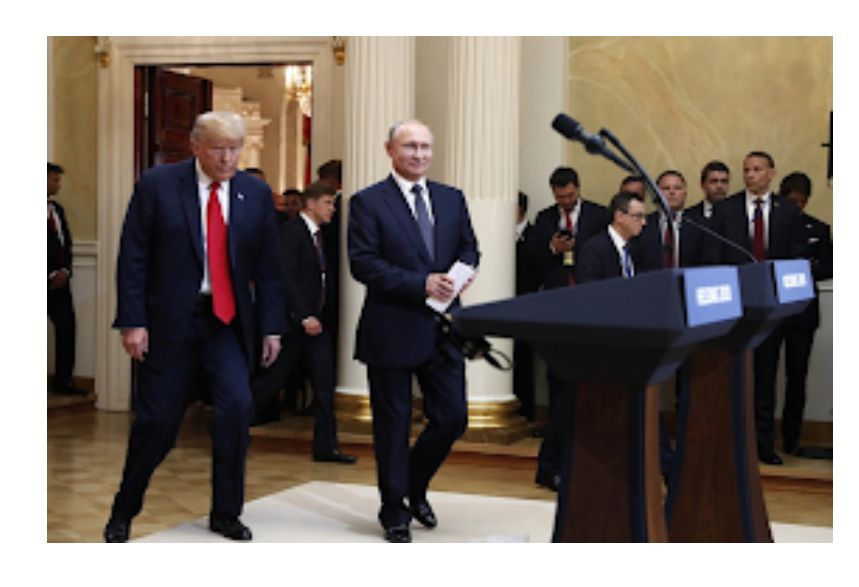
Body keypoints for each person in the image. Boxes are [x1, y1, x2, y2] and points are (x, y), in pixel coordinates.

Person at [104, 111, 284, 542]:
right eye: (219, 148)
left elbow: (270, 267)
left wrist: (272, 327)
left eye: (235, 149)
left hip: (227, 322)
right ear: (196, 146)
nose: (228, 158)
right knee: (158, 423)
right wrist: (133, 321)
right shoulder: (158, 185)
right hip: (171, 323)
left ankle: (226, 513)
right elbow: (133, 256)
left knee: (237, 408)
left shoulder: (255, 193)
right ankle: (124, 509)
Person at [348, 119, 480, 543]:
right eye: (410, 147)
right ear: (390, 149)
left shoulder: (451, 198)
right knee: (392, 423)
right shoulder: (368, 202)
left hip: (444, 327)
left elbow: (469, 248)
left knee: (453, 417)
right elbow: (363, 263)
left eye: (425, 146)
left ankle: (412, 485)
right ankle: (394, 510)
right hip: (391, 327)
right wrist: (420, 283)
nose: (419, 154)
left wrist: (461, 276)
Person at [713, 151, 806, 465]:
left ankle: (762, 443)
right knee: (732, 376)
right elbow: (716, 258)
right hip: (736, 307)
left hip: (772, 309)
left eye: (756, 170)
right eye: (746, 170)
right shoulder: (726, 210)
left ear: (771, 173)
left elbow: (796, 258)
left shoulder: (788, 211)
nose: (750, 175)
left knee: (765, 378)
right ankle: (731, 440)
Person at [527, 166, 609, 490]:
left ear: (579, 189)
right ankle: (554, 462)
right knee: (560, 381)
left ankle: (572, 456)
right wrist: (552, 249)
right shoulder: (546, 218)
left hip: (590, 304)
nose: (566, 201)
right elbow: (530, 257)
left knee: (582, 385)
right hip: (558, 305)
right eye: (561, 197)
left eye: (571, 196)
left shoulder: (599, 215)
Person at [279, 181, 356, 463]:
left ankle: (326, 447)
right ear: (310, 204)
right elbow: (286, 278)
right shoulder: (291, 232)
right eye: (328, 203)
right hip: (295, 324)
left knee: (324, 386)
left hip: (318, 325)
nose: (332, 209)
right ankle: (226, 428)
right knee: (272, 380)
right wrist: (303, 315)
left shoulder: (320, 235)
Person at [777, 172, 832, 456]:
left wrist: (808, 268)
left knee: (797, 377)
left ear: (806, 202)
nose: (795, 207)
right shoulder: (774, 227)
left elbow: (831, 267)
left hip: (803, 314)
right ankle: (761, 439)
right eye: (790, 202)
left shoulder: (819, 229)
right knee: (764, 377)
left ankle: (792, 439)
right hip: (774, 312)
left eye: (800, 202)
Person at [47, 163, 86, 396]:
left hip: (61, 283)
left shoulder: (58, 210)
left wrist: (66, 270)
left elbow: (66, 244)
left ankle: (63, 381)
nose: (58, 184)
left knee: (67, 329)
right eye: (54, 180)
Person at [636, 170, 719, 271]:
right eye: (666, 188)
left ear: (685, 194)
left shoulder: (701, 225)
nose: (672, 192)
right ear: (656, 195)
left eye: (677, 188)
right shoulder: (643, 224)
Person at [514, 191, 539, 422]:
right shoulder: (493, 234)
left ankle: (525, 410)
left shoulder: (535, 235)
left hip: (525, 304)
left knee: (523, 360)